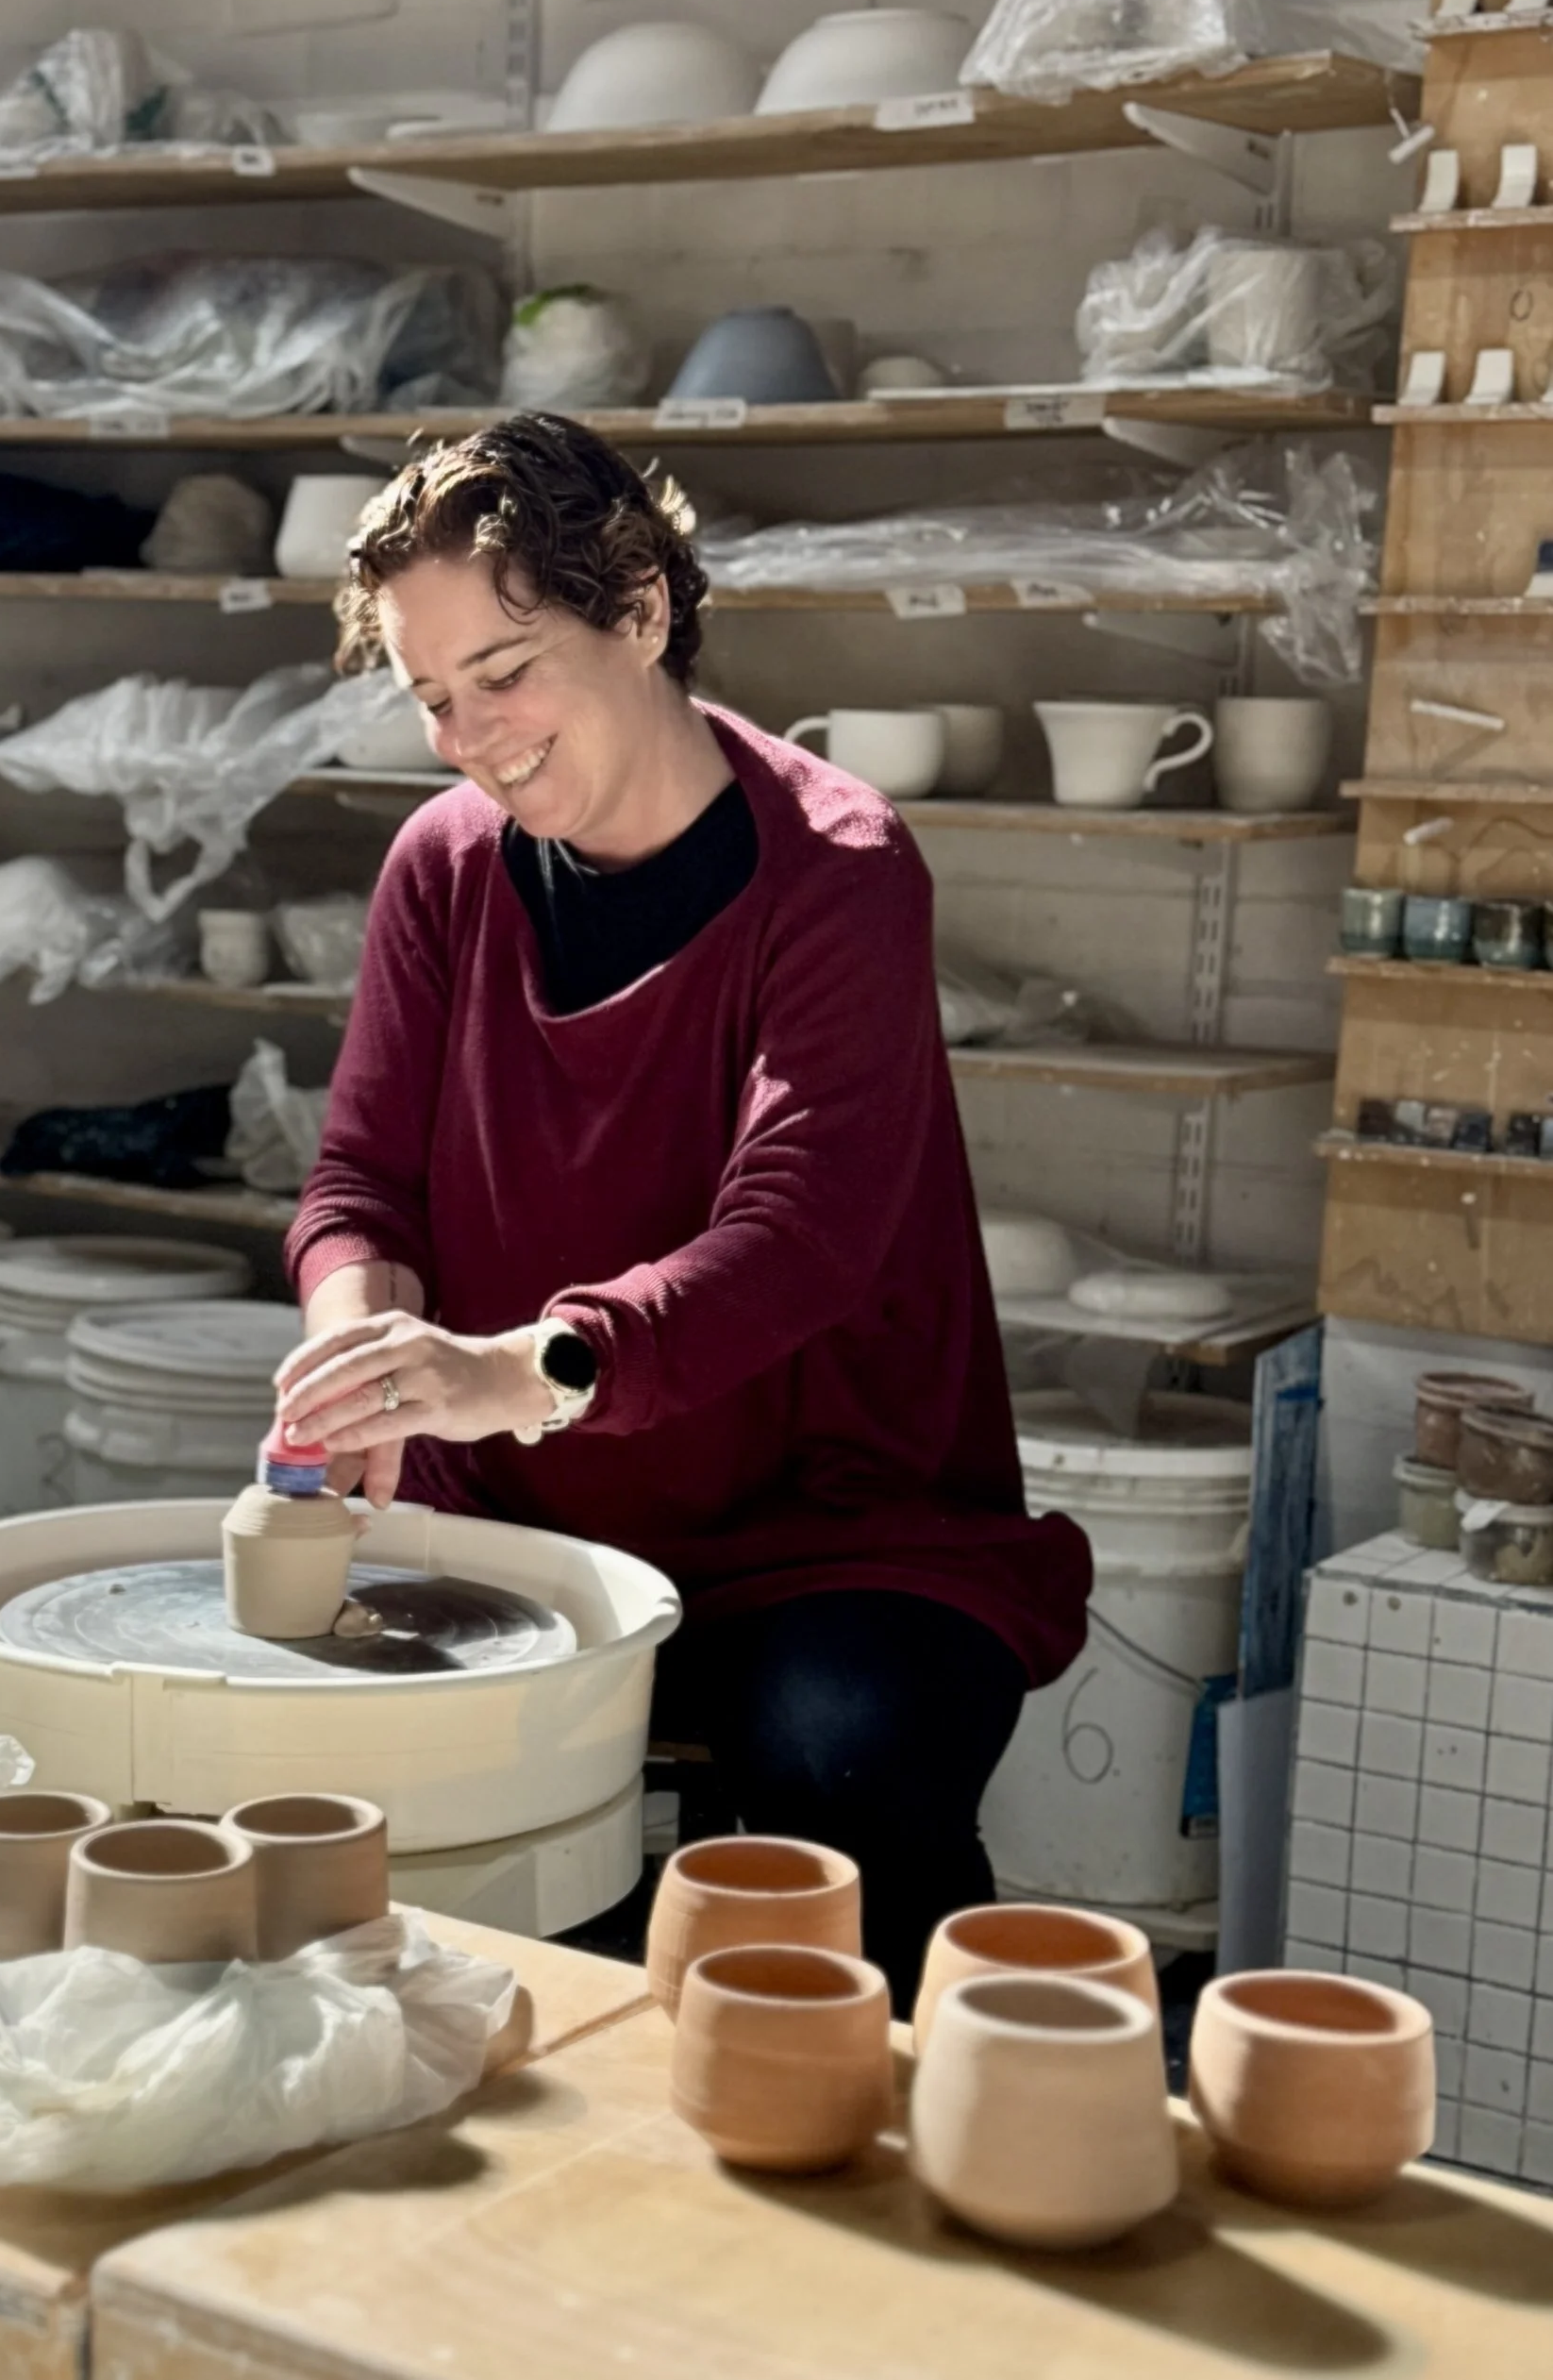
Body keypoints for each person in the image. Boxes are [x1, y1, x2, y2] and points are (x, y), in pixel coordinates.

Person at [273, 411, 1091, 2004]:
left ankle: (928, 2150)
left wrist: (523, 1370)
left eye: (506, 671)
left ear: (640, 607)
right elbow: (360, 1180)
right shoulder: (443, 866)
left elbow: (801, 1235)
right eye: (433, 698)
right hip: (514, 1504)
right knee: (350, 1797)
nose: (471, 736)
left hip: (822, 1520)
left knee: (840, 1763)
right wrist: (356, 1341)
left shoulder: (839, 866)